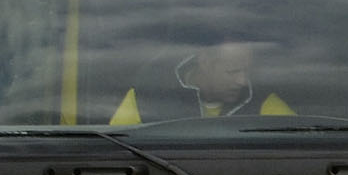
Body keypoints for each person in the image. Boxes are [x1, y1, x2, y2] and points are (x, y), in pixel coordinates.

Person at [112, 40, 292, 124]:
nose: (243, 81)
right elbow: (116, 150)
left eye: (247, 71)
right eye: (233, 72)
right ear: (205, 62)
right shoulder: (147, 96)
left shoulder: (264, 104)